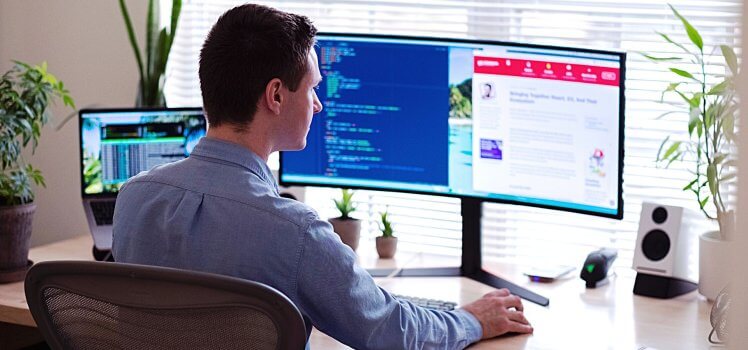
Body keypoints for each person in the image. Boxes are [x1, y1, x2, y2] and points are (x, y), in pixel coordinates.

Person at [112, 4, 532, 349]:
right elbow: (391, 333)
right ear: (276, 95)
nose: (318, 106)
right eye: (312, 89)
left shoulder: (134, 198)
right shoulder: (294, 233)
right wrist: (471, 321)